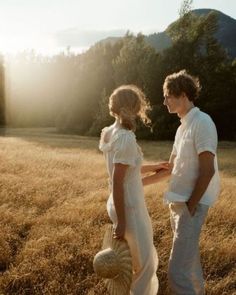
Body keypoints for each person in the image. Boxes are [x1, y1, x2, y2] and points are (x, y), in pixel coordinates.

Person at [99, 84, 170, 295]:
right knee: (145, 266)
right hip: (129, 209)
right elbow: (119, 180)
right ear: (134, 107)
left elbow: (127, 170)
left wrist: (155, 167)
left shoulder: (108, 132)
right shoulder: (126, 137)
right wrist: (121, 222)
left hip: (117, 202)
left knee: (136, 262)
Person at [162, 70, 220, 295]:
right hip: (177, 204)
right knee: (190, 267)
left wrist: (191, 205)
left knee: (176, 273)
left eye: (168, 95)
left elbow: (207, 171)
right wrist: (132, 180)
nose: (164, 100)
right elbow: (170, 167)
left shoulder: (203, 122)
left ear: (183, 95)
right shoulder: (181, 127)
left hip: (190, 205)